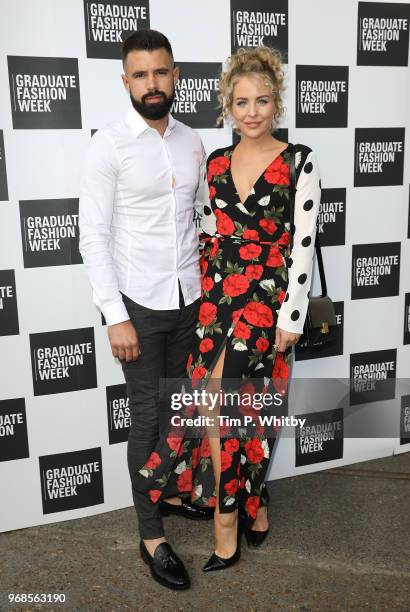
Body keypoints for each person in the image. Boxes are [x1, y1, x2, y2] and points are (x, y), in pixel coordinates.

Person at [133, 46, 321, 572]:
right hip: (217, 300)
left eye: (262, 101)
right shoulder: (214, 162)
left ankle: (226, 525)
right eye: (241, 102)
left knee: (223, 400)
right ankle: (252, 508)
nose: (252, 111)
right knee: (217, 404)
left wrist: (292, 316)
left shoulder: (298, 161)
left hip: (268, 302)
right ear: (227, 106)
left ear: (276, 103)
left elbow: (303, 244)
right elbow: (207, 227)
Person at [78, 29, 214, 591]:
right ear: (125, 81)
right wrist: (115, 314)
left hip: (191, 300)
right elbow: (93, 237)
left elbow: (202, 219)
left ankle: (169, 492)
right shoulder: (108, 144)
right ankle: (151, 533)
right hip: (138, 302)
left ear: (175, 75)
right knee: (149, 416)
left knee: (179, 409)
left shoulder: (192, 141)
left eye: (161, 72)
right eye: (140, 74)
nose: (152, 84)